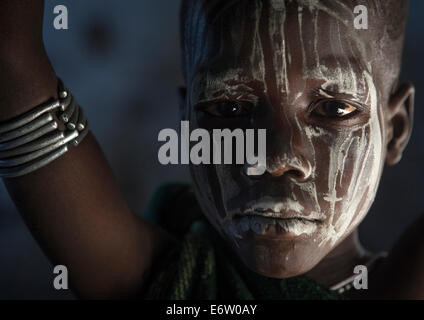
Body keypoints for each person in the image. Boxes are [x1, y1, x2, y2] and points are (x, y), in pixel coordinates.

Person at [0, 0, 422, 299]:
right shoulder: (156, 278)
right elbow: (11, 64)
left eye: (333, 109)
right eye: (230, 107)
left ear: (396, 127)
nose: (275, 157)